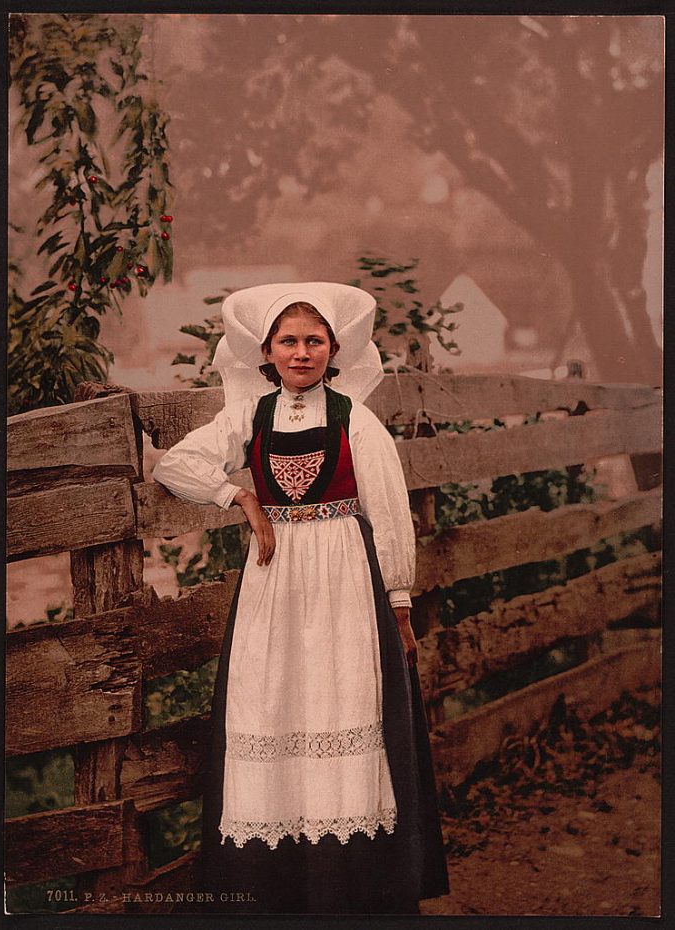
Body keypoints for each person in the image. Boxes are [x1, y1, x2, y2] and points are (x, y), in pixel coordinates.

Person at [152, 282, 449, 914]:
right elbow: (174, 466)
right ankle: (277, 881)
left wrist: (398, 601)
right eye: (288, 341)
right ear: (266, 349)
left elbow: (390, 512)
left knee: (343, 695)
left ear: (334, 348)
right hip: (275, 580)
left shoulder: (353, 418)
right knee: (275, 699)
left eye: (314, 340)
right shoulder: (248, 417)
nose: (301, 352)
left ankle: (350, 878)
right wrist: (240, 496)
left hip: (344, 580)